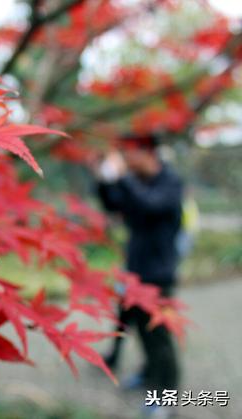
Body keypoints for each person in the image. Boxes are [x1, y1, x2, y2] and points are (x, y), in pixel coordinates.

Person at [92, 133, 182, 397]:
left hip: (158, 274)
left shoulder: (169, 181)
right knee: (142, 333)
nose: (127, 159)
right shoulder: (138, 182)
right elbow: (113, 203)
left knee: (159, 337)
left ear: (149, 153)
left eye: (131, 152)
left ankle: (167, 398)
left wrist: (122, 178)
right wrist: (103, 177)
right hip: (135, 270)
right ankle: (148, 375)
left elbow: (151, 205)